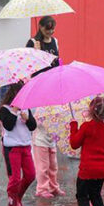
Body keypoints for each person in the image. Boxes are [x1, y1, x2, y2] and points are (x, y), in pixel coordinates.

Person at [0, 83, 36, 206]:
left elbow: (33, 126)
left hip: (26, 147)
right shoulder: (5, 110)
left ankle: (18, 197)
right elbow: (8, 125)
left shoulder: (26, 109)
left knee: (31, 175)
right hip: (12, 148)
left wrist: (27, 119)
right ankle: (11, 205)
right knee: (14, 179)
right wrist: (14, 110)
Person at [31, 57, 64, 198]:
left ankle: (53, 186)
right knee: (42, 167)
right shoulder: (38, 98)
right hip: (40, 140)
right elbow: (34, 118)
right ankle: (42, 189)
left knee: (53, 166)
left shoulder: (55, 97)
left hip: (51, 139)